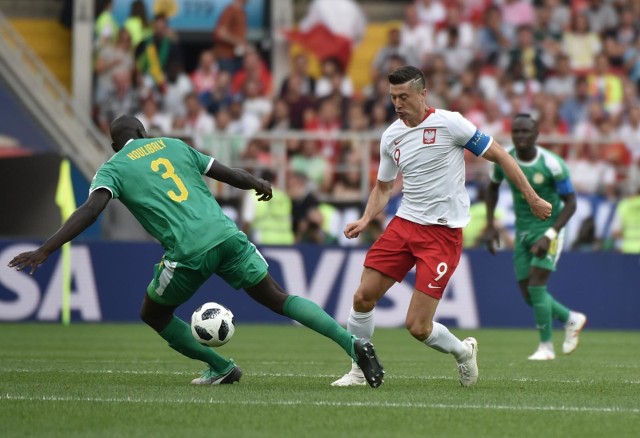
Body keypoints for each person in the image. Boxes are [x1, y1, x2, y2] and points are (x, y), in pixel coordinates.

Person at [7, 114, 384, 388]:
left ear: (114, 144)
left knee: (152, 312)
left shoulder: (112, 168)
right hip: (227, 235)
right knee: (279, 297)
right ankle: (353, 343)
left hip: (188, 250)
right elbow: (224, 173)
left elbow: (91, 210)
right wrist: (257, 181)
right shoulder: (173, 145)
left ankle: (220, 366)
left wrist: (46, 249)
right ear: (143, 133)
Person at [331, 65, 552, 388]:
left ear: (423, 93)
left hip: (442, 234)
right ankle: (359, 370)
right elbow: (383, 187)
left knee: (418, 326)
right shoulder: (392, 135)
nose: (397, 103)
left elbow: (502, 156)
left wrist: (532, 197)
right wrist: (366, 219)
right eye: (393, 97)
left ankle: (463, 352)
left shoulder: (451, 123)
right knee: (363, 297)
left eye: (404, 96)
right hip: (404, 224)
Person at [484, 113, 587, 361]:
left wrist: (550, 235)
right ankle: (570, 318)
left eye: (525, 132)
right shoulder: (503, 160)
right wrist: (490, 225)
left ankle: (546, 347)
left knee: (537, 285)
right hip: (523, 231)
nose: (520, 136)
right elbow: (492, 188)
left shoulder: (552, 164)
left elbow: (571, 203)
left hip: (549, 229)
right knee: (527, 293)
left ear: (536, 135)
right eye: (516, 131)